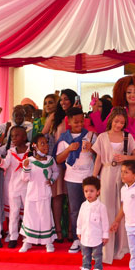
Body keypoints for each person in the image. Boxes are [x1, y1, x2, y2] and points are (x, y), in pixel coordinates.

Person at [92, 107, 135, 264]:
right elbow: (98, 159)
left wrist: (124, 157)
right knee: (106, 209)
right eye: (117, 121)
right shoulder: (102, 137)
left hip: (123, 174)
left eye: (122, 122)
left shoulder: (127, 137)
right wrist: (94, 178)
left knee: (122, 208)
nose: (119, 125)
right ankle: (106, 249)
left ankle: (121, 248)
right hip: (106, 174)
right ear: (111, 119)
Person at [91, 75, 135, 184]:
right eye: (129, 92)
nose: (133, 95)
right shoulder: (117, 110)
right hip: (122, 157)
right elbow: (102, 130)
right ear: (123, 94)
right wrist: (95, 111)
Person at [55, 107, 96, 253]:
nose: (79, 124)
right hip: (72, 178)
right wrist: (69, 149)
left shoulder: (90, 135)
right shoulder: (64, 138)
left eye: (81, 121)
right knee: (75, 210)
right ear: (69, 122)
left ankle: (91, 238)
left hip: (89, 177)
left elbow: (99, 155)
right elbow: (58, 159)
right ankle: (77, 240)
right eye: (76, 122)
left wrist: (92, 148)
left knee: (91, 209)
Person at [20, 134, 59, 253]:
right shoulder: (29, 161)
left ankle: (48, 242)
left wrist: (52, 180)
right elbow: (24, 178)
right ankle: (28, 241)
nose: (46, 145)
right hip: (32, 193)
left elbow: (56, 172)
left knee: (45, 216)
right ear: (34, 146)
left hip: (44, 193)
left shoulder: (50, 160)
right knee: (30, 217)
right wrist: (26, 168)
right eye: (42, 143)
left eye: (46, 143)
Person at [51, 88, 79, 243]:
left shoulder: (77, 117)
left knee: (71, 199)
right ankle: (58, 231)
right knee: (58, 196)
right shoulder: (55, 117)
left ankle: (71, 231)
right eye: (61, 99)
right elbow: (44, 133)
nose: (63, 102)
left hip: (74, 163)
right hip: (58, 161)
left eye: (66, 99)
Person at [0, 126, 30, 249]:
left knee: (28, 212)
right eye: (12, 136)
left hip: (27, 186)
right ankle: (13, 236)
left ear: (24, 137)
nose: (14, 138)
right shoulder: (11, 151)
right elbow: (5, 164)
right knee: (14, 212)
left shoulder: (31, 150)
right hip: (14, 186)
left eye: (17, 135)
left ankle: (27, 235)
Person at [76, 176, 109, 270]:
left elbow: (105, 222)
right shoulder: (83, 205)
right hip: (85, 235)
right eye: (86, 191)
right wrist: (79, 231)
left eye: (91, 191)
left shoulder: (101, 207)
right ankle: (86, 268)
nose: (88, 194)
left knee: (97, 254)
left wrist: (105, 235)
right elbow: (79, 219)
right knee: (85, 254)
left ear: (98, 192)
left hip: (97, 236)